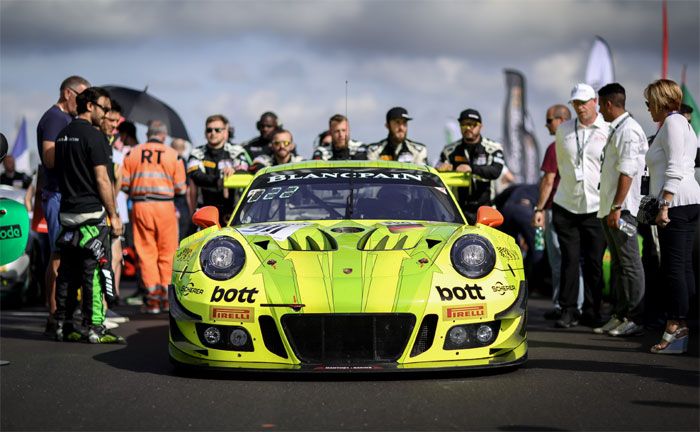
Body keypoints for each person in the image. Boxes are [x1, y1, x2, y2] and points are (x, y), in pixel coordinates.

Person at [53, 87, 124, 343]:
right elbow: (102, 180)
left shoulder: (62, 135)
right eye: (104, 108)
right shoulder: (94, 138)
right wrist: (114, 215)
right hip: (91, 218)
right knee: (93, 273)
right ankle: (95, 328)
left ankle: (63, 324)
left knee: (67, 275)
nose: (106, 114)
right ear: (91, 106)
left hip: (67, 217)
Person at [644, 79, 700, 354]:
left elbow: (676, 166)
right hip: (686, 201)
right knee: (683, 267)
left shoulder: (673, 124)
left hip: (677, 203)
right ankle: (683, 324)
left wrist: (664, 204)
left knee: (674, 269)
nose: (647, 109)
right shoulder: (680, 124)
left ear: (659, 101)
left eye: (648, 103)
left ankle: (676, 325)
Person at [552, 83, 610, 329]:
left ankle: (593, 309)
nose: (580, 107)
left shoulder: (608, 129)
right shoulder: (563, 129)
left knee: (595, 261)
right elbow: (562, 166)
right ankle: (568, 310)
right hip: (567, 203)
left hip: (597, 205)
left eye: (584, 102)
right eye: (576, 103)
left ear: (595, 101)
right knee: (570, 260)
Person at [36, 75, 90, 336]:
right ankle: (54, 315)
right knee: (58, 257)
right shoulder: (55, 118)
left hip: (65, 195)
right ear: (68, 93)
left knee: (65, 256)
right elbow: (48, 158)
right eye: (82, 95)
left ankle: (60, 314)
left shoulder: (66, 119)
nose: (85, 102)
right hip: (57, 195)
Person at [593, 83, 648, 336]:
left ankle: (634, 316)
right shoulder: (618, 129)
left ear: (607, 104)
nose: (598, 110)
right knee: (617, 264)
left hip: (622, 209)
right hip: (609, 208)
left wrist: (617, 207)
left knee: (629, 263)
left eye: (599, 104)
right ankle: (620, 313)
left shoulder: (629, 130)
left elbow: (628, 171)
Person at [121, 120, 186, 314]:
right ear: (164, 136)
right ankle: (166, 299)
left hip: (141, 206)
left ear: (148, 134)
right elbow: (181, 187)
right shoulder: (173, 155)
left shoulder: (132, 153)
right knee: (167, 252)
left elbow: (124, 184)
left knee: (146, 253)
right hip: (165, 207)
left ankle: (152, 300)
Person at [532, 104, 583, 320]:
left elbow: (548, 179)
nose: (546, 125)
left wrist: (539, 208)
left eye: (549, 120)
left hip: (556, 207)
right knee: (568, 260)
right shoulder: (576, 143)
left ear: (561, 120)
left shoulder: (556, 146)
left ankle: (568, 305)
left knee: (560, 260)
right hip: (574, 207)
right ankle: (567, 304)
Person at [435, 109, 505, 223]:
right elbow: (437, 172)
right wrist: (441, 168)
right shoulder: (449, 150)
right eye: (464, 124)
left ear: (480, 126)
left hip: (486, 209)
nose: (468, 128)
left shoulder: (493, 148)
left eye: (472, 124)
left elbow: (496, 171)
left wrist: (472, 169)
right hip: (458, 210)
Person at [187, 114, 251, 225]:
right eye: (209, 130)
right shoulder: (196, 152)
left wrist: (234, 172)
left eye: (217, 130)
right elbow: (196, 176)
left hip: (233, 209)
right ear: (205, 133)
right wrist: (219, 180)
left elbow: (245, 171)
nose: (213, 133)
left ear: (225, 132)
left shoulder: (236, 150)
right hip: (205, 209)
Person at [171, 138, 194, 241]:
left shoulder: (168, 161)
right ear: (184, 148)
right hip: (182, 204)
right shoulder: (183, 162)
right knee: (182, 238)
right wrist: (191, 211)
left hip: (167, 204)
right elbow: (188, 189)